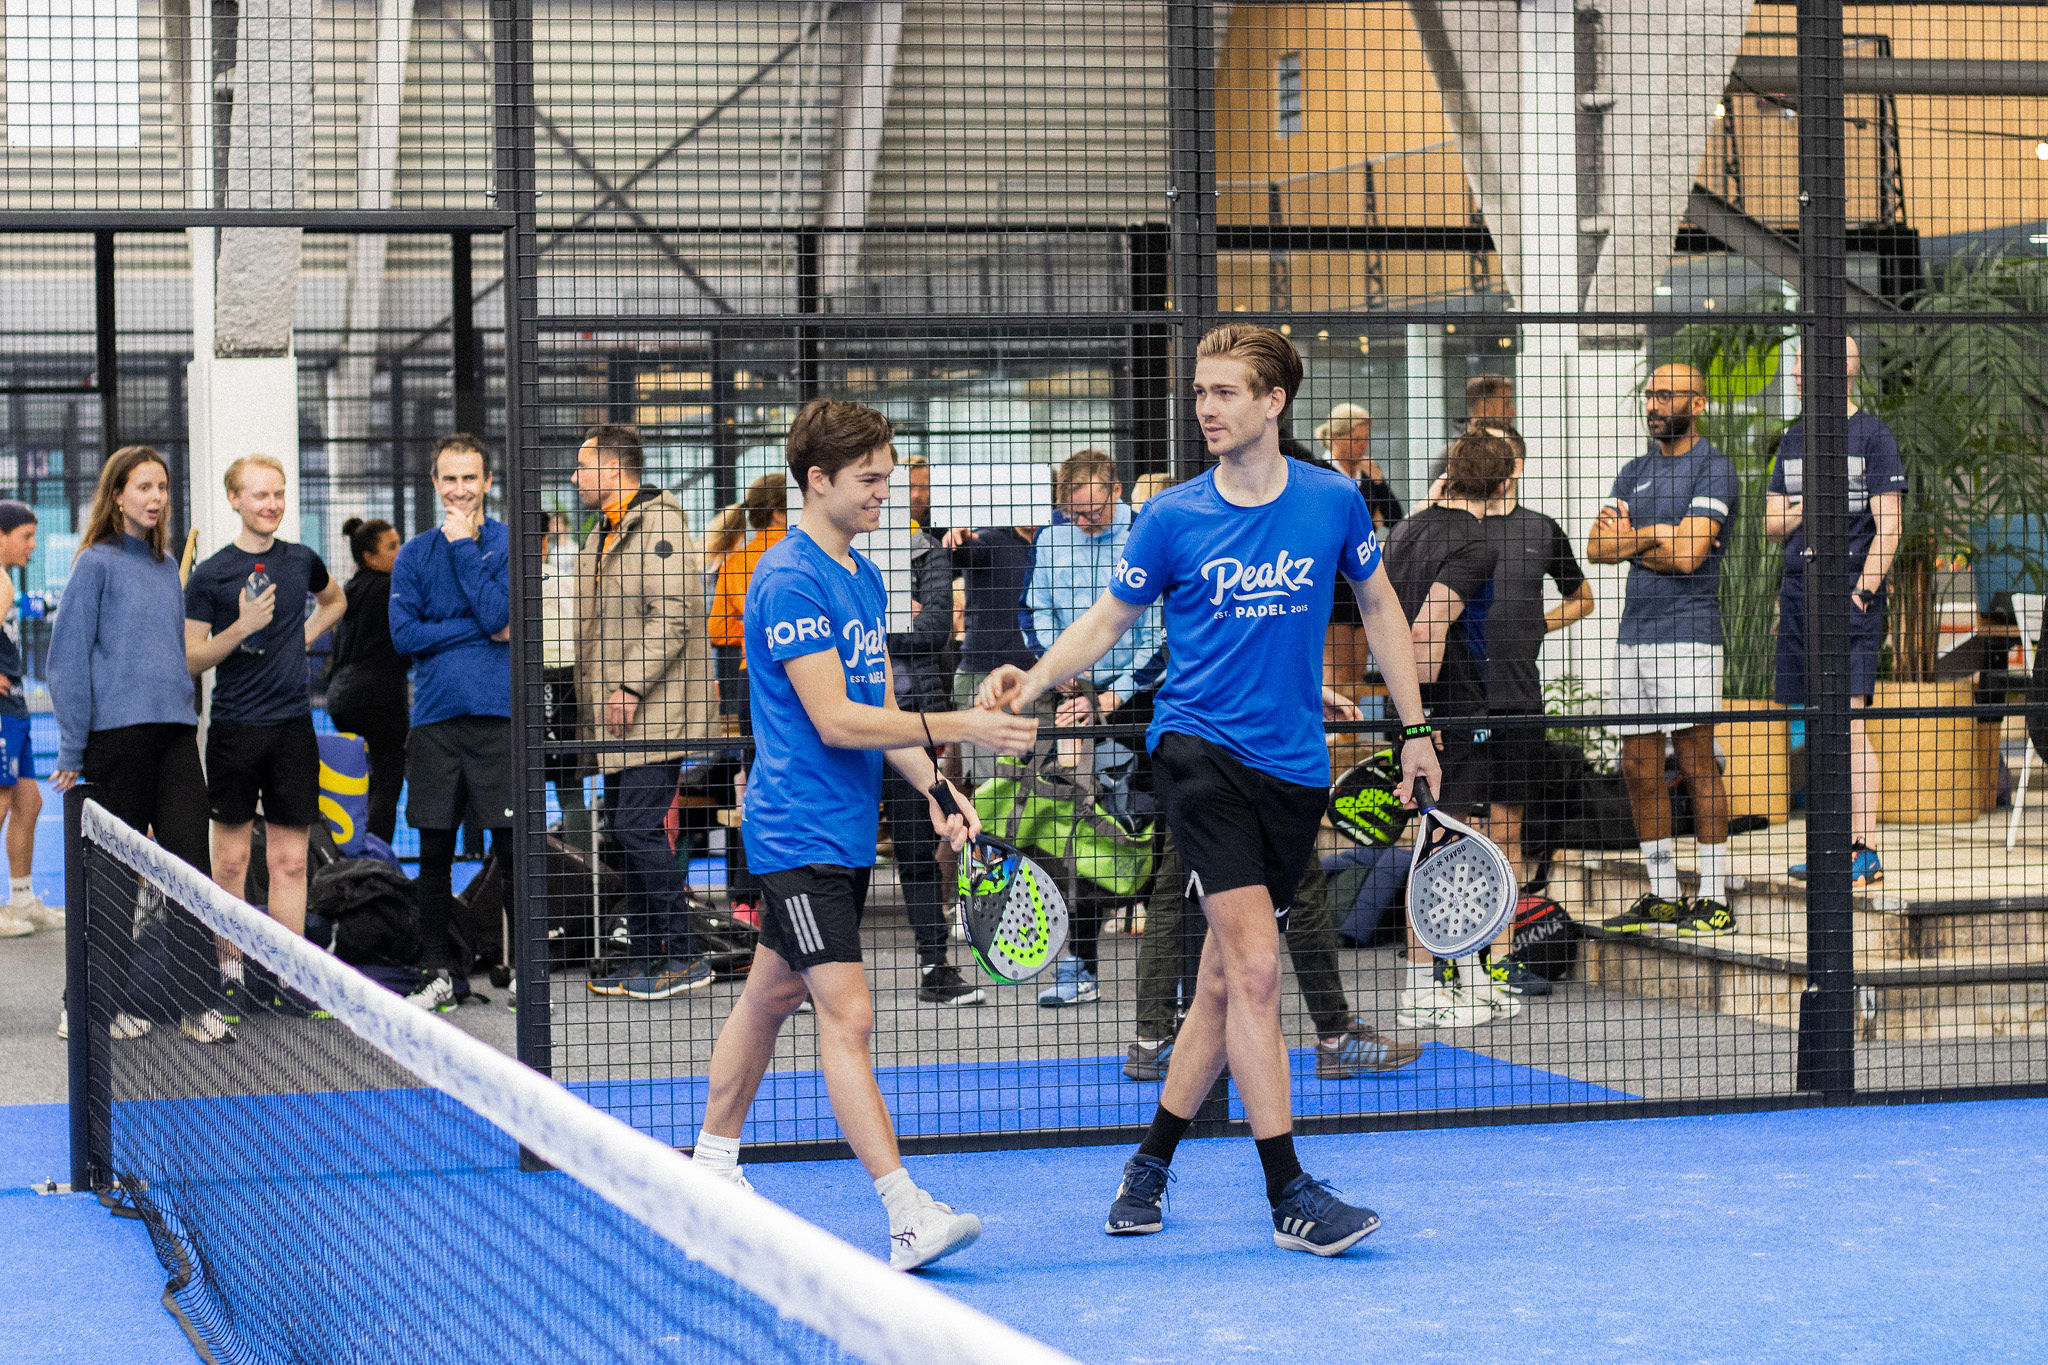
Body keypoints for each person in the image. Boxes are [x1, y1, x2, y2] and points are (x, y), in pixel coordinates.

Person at [982, 323, 1441, 1256]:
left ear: (1274, 402)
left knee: (1224, 984)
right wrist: (1027, 685)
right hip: (1196, 755)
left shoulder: (1333, 502)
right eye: (1200, 392)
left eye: (1224, 391)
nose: (1206, 407)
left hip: (1292, 768)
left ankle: (1149, 1161)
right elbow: (1108, 619)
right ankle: (1291, 1194)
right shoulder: (1171, 517)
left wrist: (1416, 726)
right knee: (1259, 970)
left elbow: (1382, 607)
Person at [691, 397, 1038, 1271]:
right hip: (794, 834)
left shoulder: (863, 576)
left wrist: (939, 788)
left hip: (842, 834)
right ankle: (904, 1210)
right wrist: (963, 722)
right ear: (819, 480)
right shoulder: (786, 579)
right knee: (848, 1011)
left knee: (769, 997)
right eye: (871, 480)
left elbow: (883, 711)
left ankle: (708, 1168)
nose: (889, 493)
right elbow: (836, 720)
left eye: (888, 476)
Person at [49, 446, 233, 1044]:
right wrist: (73, 751)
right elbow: (67, 662)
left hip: (176, 739)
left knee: (190, 871)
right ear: (118, 495)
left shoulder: (161, 569)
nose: (156, 498)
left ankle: (193, 1003)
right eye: (143, 487)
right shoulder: (94, 565)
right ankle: (85, 1003)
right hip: (113, 745)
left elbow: (170, 659)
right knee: (111, 880)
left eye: (163, 487)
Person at [1587, 363, 1739, 937]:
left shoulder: (1714, 469)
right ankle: (1663, 894)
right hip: (1635, 634)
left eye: (1667, 394)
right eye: (1650, 393)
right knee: (1637, 764)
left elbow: (1690, 557)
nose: (1654, 404)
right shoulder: (1634, 471)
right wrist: (1658, 535)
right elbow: (1598, 547)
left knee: (1697, 761)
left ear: (1698, 404)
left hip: (1690, 634)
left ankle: (1715, 896)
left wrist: (1640, 538)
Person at [571, 423, 720, 1000]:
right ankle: (647, 954)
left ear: (614, 468)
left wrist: (629, 687)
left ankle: (684, 954)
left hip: (652, 715)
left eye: (585, 466)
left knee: (635, 827)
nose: (577, 477)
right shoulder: (606, 532)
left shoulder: (659, 526)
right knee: (624, 831)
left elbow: (676, 614)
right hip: (620, 719)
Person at [1384, 430, 1522, 1027]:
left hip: (1412, 707)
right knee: (1453, 845)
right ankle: (1444, 987)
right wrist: (1426, 722)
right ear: (1505, 483)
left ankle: (1442, 985)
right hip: (1445, 711)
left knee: (1434, 842)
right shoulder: (1476, 544)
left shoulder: (1406, 529)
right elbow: (1424, 630)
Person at [184, 454, 346, 955]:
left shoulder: (300, 559)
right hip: (234, 730)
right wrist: (242, 627)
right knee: (230, 864)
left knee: (291, 863)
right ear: (235, 500)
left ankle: (287, 975)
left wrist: (298, 639)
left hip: (292, 730)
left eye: (278, 493)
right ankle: (230, 974)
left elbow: (335, 601)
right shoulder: (211, 574)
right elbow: (192, 659)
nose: (272, 504)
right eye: (260, 495)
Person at [1024, 448, 1166, 1006]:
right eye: (1074, 513)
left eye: (1093, 511)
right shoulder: (1051, 540)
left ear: (1116, 491)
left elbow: (1159, 632)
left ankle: (1171, 971)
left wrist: (1112, 696)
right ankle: (1078, 965)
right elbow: (1034, 612)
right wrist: (1056, 674)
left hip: (1139, 701)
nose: (1084, 522)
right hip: (1071, 700)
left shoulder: (1145, 534)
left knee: (1149, 828)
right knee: (1079, 831)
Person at [1125, 831, 1422, 1081]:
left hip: (1192, 770)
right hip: (1266, 769)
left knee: (1179, 885)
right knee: (1301, 885)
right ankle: (1337, 1038)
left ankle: (1151, 1043)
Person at [1768, 337, 1903, 885]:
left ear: (1839, 373)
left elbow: (1888, 526)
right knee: (1818, 728)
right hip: (1800, 599)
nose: (1796, 372)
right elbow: (1771, 522)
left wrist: (1861, 593)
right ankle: (1830, 849)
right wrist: (1813, 504)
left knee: (1847, 725)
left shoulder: (1873, 438)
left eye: (1805, 364)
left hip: (1850, 598)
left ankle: (1863, 849)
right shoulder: (1795, 439)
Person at [388, 433, 515, 1010]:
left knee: (513, 849)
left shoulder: (510, 545)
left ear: (487, 482)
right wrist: (479, 629)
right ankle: (436, 970)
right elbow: (404, 636)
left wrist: (466, 549)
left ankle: (525, 973)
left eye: (471, 478)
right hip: (436, 722)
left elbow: (500, 614)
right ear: (435, 484)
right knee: (433, 853)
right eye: (450, 479)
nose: (460, 490)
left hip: (498, 721)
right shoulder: (414, 554)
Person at [881, 455, 982, 1005]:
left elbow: (934, 631)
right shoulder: (839, 555)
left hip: (913, 715)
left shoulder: (930, 552)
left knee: (917, 845)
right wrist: (902, 618)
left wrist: (880, 627)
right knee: (841, 852)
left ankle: (935, 966)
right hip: (849, 722)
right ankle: (811, 973)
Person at [1478, 424, 1594, 895]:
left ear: (1515, 466)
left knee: (1507, 828)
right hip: (1457, 701)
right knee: (1457, 826)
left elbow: (1582, 598)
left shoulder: (1540, 528)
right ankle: (1454, 949)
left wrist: (1538, 625)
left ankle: (1504, 939)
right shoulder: (1449, 524)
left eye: (1492, 450)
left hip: (1518, 699)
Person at [706, 473, 790, 925]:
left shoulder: (736, 561)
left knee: (754, 786)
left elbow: (718, 630)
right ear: (779, 511)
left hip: (748, 680)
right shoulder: (800, 552)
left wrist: (749, 632)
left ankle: (744, 897)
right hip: (797, 678)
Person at [327, 518, 410, 845]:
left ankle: (353, 851)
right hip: (379, 698)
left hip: (343, 698)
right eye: (392, 546)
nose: (400, 551)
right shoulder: (390, 588)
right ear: (369, 557)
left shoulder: (350, 589)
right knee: (388, 781)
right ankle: (377, 860)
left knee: (363, 781)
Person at [942, 520, 1038, 790]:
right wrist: (955, 539)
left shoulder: (1051, 539)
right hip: (983, 678)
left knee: (1026, 784)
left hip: (1033, 680)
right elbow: (965, 552)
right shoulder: (991, 539)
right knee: (989, 787)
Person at [0, 503, 56, 937]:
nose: (33, 546)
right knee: (1, 802)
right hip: (1, 710)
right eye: (26, 536)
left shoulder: (6, 582)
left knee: (29, 802)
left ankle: (21, 898)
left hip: (15, 705)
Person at [539, 510, 592, 846]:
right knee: (569, 786)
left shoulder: (509, 582)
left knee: (556, 785)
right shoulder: (562, 580)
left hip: (547, 678)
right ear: (546, 540)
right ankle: (583, 884)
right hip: (563, 678)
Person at [1315, 402, 1403, 530]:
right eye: (1356, 440)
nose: (1363, 445)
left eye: (1366, 438)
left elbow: (1395, 521)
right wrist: (1372, 524)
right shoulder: (1320, 471)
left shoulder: (1368, 469)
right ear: (1335, 438)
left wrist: (1380, 482)